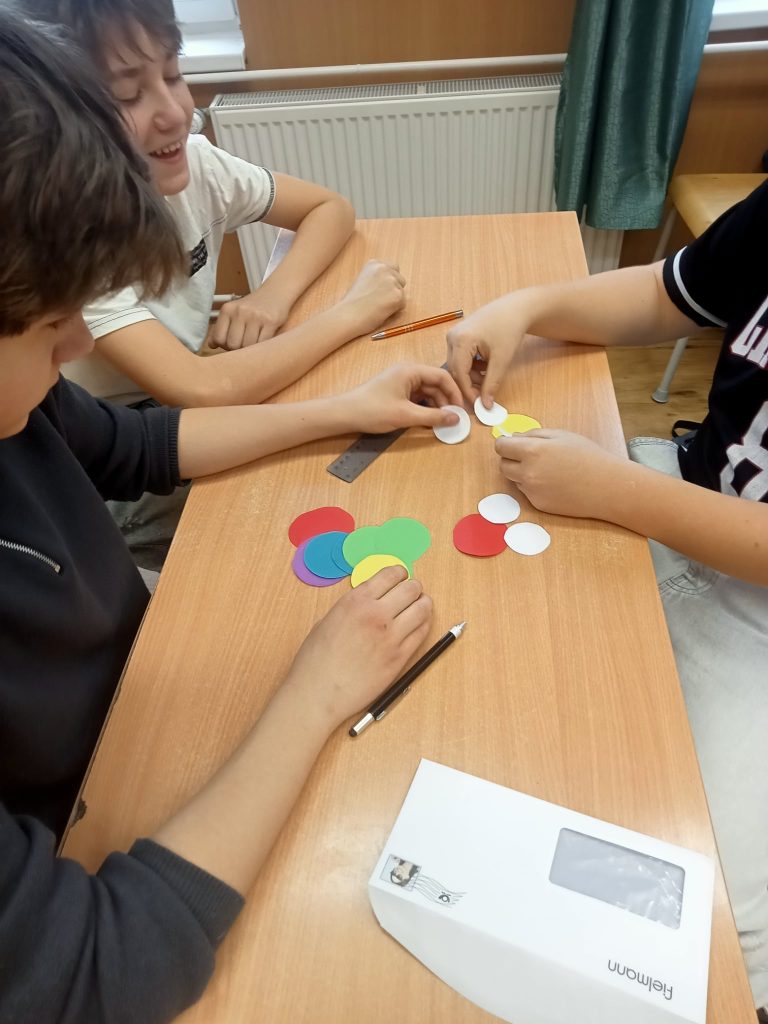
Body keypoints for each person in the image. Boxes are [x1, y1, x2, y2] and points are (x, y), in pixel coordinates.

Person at [0, 10, 461, 1021]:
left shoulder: (18, 408)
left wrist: (348, 405)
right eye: (49, 324)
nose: (82, 344)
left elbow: (136, 445)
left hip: (133, 689)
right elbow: (97, 968)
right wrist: (313, 693)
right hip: (97, 816)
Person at [446, 193, 768, 1012]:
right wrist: (524, 307)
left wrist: (615, 490)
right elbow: (668, 292)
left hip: (745, 603)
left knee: (709, 932)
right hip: (678, 494)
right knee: (506, 702)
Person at [22, 0, 408, 570]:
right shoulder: (70, 240)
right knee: (283, 517)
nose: (175, 112)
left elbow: (330, 208)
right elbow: (202, 393)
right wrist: (351, 314)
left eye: (173, 73)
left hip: (163, 419)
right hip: (122, 455)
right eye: (128, 94)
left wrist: (272, 297)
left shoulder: (197, 166)